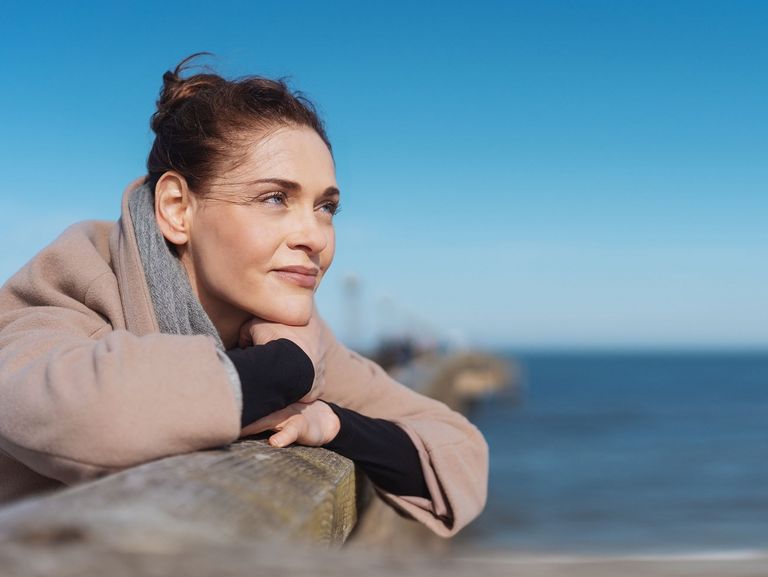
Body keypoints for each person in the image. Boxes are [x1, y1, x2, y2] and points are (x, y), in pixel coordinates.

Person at [0, 54, 488, 537]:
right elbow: (69, 411)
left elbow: (458, 450)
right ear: (176, 209)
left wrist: (336, 425)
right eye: (275, 198)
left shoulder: (288, 330)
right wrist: (286, 370)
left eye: (326, 207)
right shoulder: (73, 282)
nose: (315, 237)